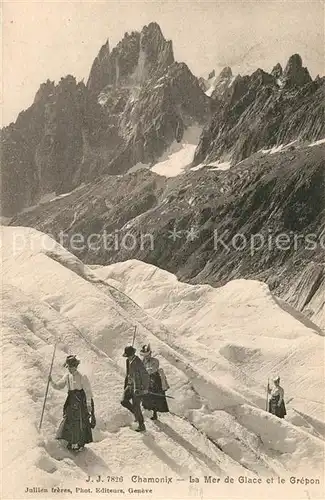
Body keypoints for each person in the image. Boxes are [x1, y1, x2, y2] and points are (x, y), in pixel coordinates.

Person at [50, 355, 95, 451]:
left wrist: (88, 405)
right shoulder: (67, 376)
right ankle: (70, 441)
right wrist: (51, 382)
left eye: (71, 367)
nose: (69, 369)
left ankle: (80, 443)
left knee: (80, 422)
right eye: (68, 367)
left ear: (75, 366)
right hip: (71, 400)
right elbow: (59, 386)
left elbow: (87, 391)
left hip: (80, 401)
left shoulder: (82, 377)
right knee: (68, 419)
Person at [120, 346, 149, 432]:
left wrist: (144, 388)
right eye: (127, 356)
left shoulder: (138, 362)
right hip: (130, 386)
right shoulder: (128, 361)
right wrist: (126, 385)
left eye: (129, 355)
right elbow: (128, 374)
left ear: (133, 354)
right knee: (123, 401)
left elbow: (145, 375)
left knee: (136, 406)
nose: (128, 357)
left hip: (138, 388)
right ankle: (137, 415)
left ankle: (141, 425)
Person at [140, 344, 169, 421]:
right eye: (144, 355)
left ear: (150, 354)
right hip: (147, 380)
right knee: (146, 396)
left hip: (155, 381)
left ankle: (155, 414)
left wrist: (145, 371)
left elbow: (153, 369)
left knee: (155, 398)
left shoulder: (155, 361)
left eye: (147, 355)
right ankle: (147, 411)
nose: (146, 357)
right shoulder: (143, 361)